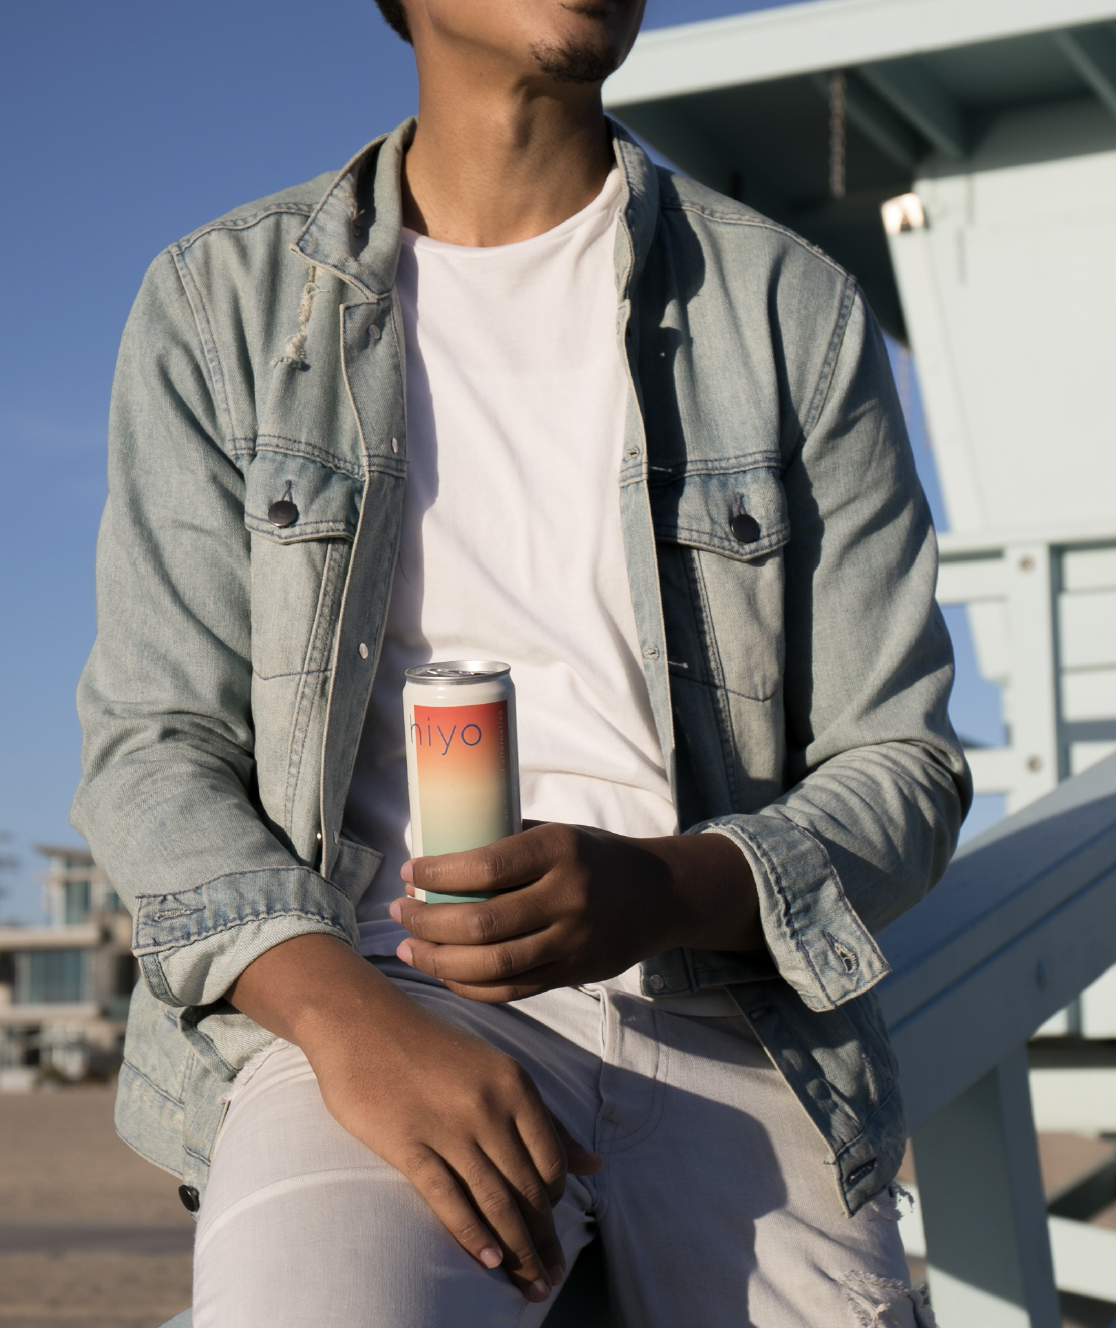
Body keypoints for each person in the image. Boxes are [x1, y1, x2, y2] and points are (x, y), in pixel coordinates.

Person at [73, 1, 970, 1323]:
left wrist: (664, 888)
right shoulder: (224, 304)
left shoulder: (789, 307)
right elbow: (154, 746)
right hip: (381, 997)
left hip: (740, 1023)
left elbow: (903, 763)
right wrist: (347, 1024)